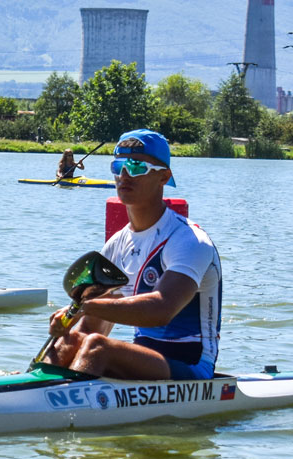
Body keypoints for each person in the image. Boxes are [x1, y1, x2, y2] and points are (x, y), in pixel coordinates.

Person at [42, 129, 222, 380]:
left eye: (137, 167)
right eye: (118, 166)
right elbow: (93, 323)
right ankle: (28, 385)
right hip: (144, 361)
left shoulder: (189, 241)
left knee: (97, 347)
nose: (124, 175)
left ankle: (58, 408)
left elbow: (162, 309)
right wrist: (70, 318)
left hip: (192, 368)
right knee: (71, 338)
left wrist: (85, 306)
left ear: (164, 177)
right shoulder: (117, 244)